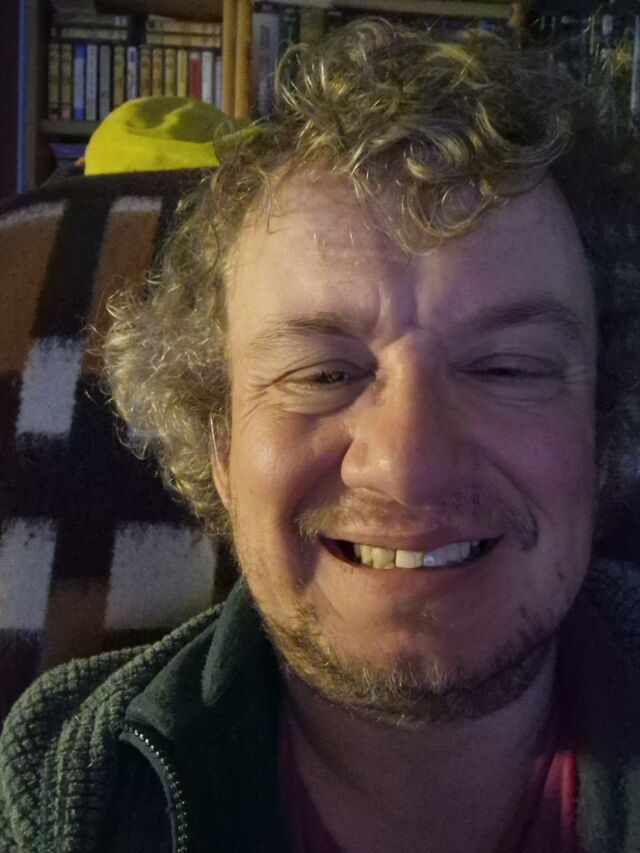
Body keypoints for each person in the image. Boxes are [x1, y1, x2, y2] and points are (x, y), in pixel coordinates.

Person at [2, 17, 640, 853]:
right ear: (221, 448)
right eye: (322, 375)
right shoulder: (68, 791)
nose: (408, 464)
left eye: (507, 368)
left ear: (601, 434)